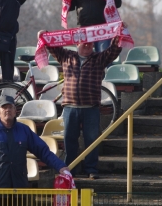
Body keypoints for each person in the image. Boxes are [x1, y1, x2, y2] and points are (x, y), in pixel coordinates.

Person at [37, 30, 122, 179]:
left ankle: (91, 170)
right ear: (77, 43)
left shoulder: (99, 58)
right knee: (69, 140)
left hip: (91, 108)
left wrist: (120, 33)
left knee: (91, 140)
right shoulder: (67, 56)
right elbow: (52, 46)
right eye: (84, 43)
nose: (87, 45)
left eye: (90, 43)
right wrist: (44, 35)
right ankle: (70, 169)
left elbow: (114, 51)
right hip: (70, 107)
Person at [0, 94, 69, 204]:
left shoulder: (24, 130)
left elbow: (43, 151)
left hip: (20, 188)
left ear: (15, 111)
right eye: (4, 107)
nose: (7, 110)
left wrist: (60, 166)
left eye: (10, 107)